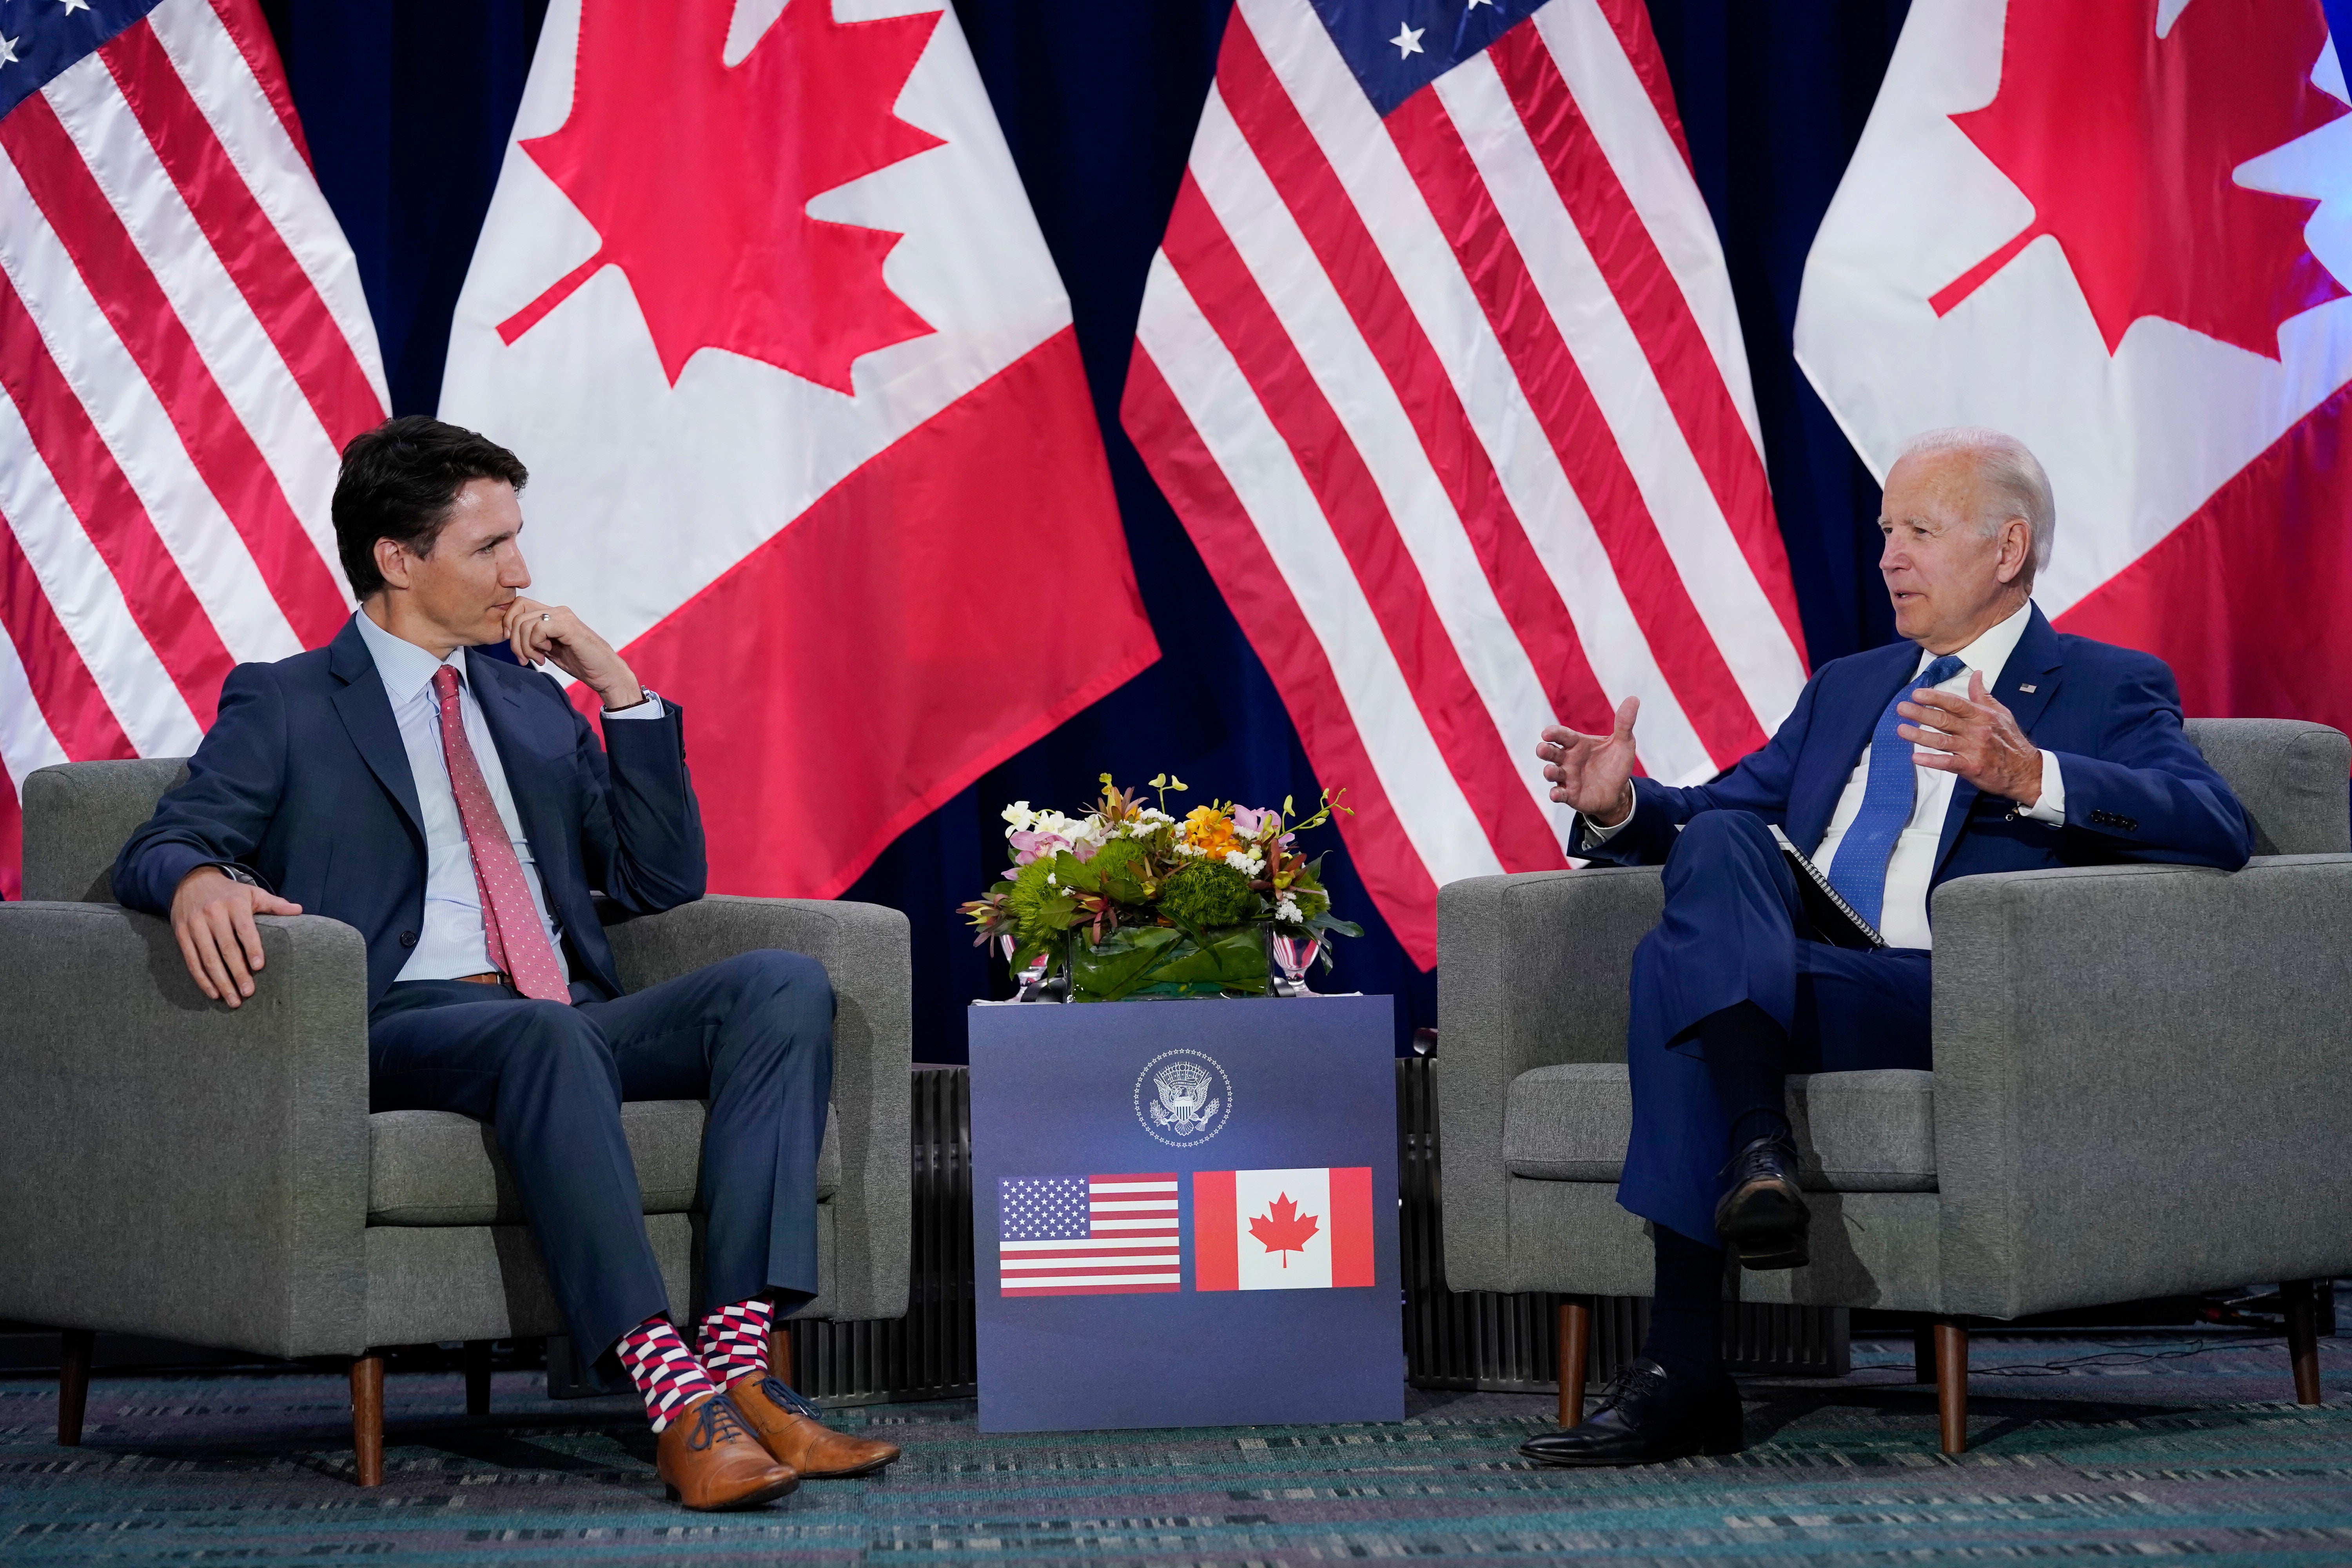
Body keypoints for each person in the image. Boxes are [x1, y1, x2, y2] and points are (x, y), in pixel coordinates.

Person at [113, 416, 899, 1510]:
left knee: (782, 983)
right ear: (398, 558)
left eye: (517, 540)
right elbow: (164, 839)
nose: (521, 573)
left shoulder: (529, 699)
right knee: (544, 1032)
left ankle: (738, 1361)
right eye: (489, 547)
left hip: (561, 1023)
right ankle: (670, 1397)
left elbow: (656, 882)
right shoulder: (289, 701)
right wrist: (196, 877)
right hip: (402, 1023)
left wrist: (619, 688)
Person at [1519, 428, 2254, 1467]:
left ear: (2008, 550)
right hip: (1808, 969)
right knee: (1724, 844)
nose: (1888, 558)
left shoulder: (2104, 684)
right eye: (1883, 533)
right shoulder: (1848, 686)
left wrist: (2033, 776)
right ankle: (1756, 1154)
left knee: (1672, 978)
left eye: (1919, 530)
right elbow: (1718, 816)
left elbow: (2214, 823)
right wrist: (1623, 805)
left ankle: (1686, 1362)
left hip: (1952, 993)